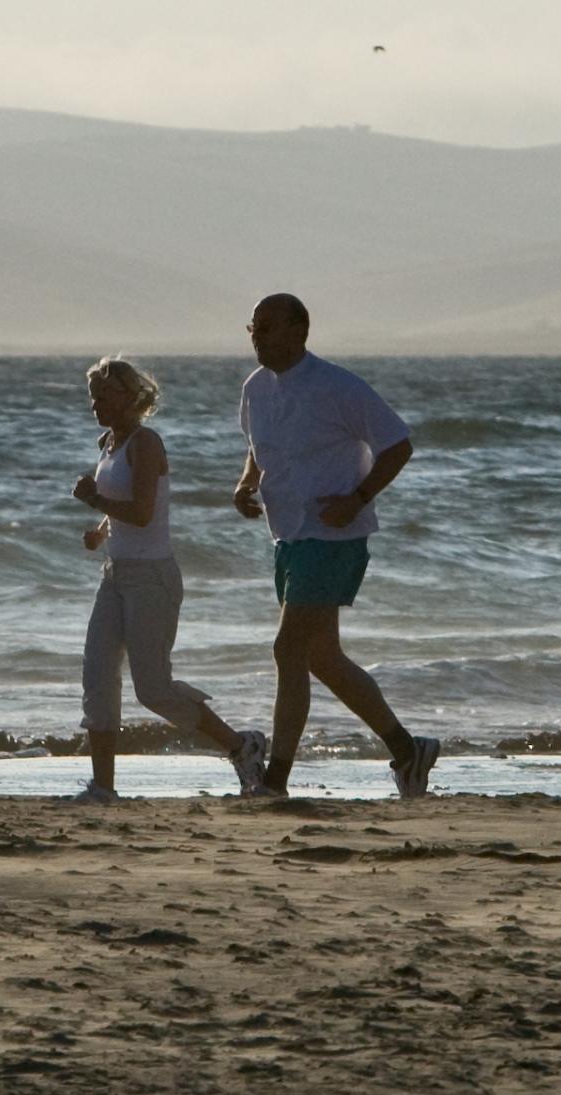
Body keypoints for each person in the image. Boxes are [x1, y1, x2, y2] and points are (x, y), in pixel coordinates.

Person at [234, 293, 439, 798]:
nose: (257, 336)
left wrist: (359, 497)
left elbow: (398, 444)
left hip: (334, 536)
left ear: (300, 330)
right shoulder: (256, 388)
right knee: (321, 658)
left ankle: (276, 779)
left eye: (267, 327)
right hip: (289, 536)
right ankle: (409, 751)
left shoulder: (337, 386)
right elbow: (258, 447)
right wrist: (245, 485)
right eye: (252, 328)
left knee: (288, 649)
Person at [71, 355, 269, 804]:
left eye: (104, 396)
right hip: (115, 576)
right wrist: (100, 531)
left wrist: (94, 499)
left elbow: (142, 513)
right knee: (98, 677)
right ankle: (102, 788)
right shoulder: (109, 442)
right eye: (92, 398)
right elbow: (122, 506)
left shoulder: (146, 443)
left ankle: (242, 746)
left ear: (130, 396)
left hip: (152, 579)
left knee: (153, 690)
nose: (96, 405)